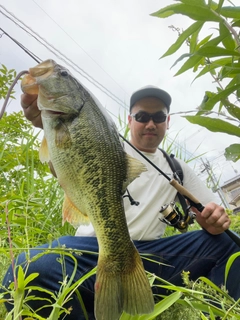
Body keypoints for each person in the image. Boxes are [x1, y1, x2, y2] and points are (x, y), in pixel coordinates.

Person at [2, 85, 240, 319]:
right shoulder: (104, 144)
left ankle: (223, 313)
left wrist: (215, 222)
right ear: (129, 120)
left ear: (167, 122)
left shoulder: (178, 169)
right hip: (90, 251)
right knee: (22, 270)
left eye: (158, 117)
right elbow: (65, 153)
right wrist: (46, 122)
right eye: (142, 116)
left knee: (230, 245)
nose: (150, 123)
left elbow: (214, 215)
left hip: (151, 258)